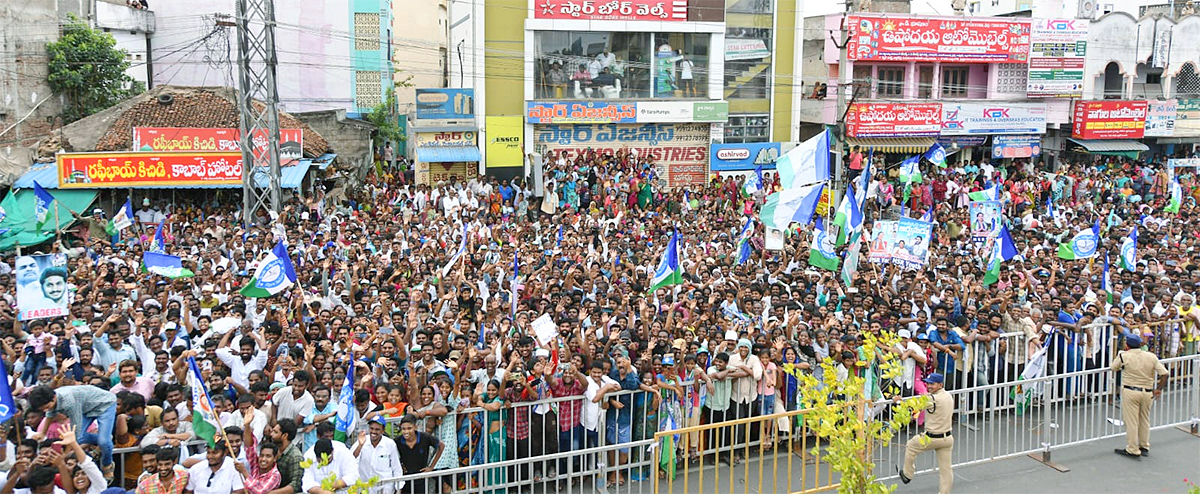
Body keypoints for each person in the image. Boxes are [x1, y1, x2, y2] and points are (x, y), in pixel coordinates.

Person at [26, 385, 118, 477]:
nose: (46, 410)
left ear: (54, 398)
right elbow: (49, 414)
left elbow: (74, 432)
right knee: (82, 439)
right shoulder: (51, 401)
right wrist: (42, 433)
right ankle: (104, 438)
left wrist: (65, 454)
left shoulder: (69, 402)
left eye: (47, 406)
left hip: (105, 404)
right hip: (86, 408)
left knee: (104, 442)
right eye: (42, 409)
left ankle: (107, 464)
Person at [1110, 333, 1168, 459]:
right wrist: (1158, 389)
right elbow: (1164, 373)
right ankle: (1144, 446)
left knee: (1131, 422)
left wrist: (1121, 354)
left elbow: (1113, 368)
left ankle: (1132, 448)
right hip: (1147, 391)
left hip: (1130, 391)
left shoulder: (1124, 355)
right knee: (1144, 419)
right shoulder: (1151, 356)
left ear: (1127, 345)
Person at [899, 372, 954, 493]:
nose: (929, 386)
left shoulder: (932, 399)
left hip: (932, 437)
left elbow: (913, 406)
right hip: (947, 438)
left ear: (940, 384)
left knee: (911, 445)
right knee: (946, 470)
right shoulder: (948, 396)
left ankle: (907, 474)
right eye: (928, 383)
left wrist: (899, 400)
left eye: (932, 384)